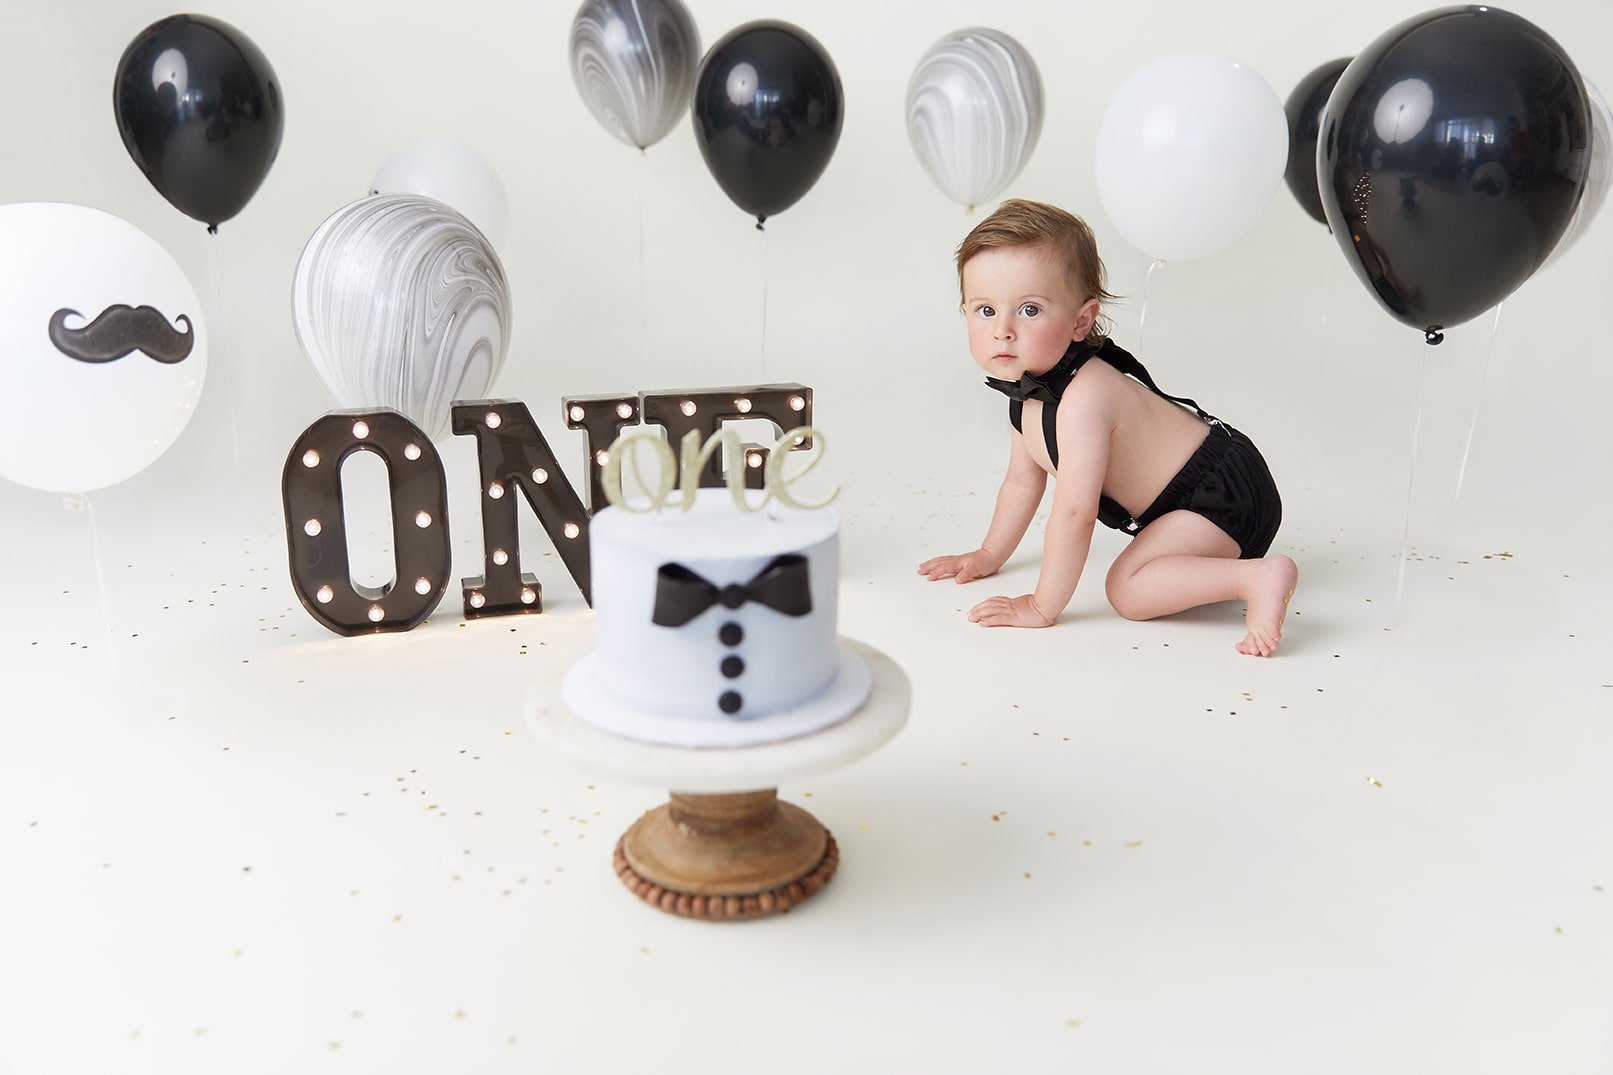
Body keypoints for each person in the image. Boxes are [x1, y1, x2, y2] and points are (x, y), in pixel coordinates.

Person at [917, 199, 1297, 656]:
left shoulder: (1084, 398)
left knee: (1126, 590)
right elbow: (1022, 483)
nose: (1004, 330)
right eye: (985, 310)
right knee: (1132, 575)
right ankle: (1236, 570)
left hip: (1221, 497)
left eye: (1030, 310)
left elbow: (1074, 514)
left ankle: (1257, 576)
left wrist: (1043, 605)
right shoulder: (1030, 391)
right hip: (1182, 503)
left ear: (1081, 321)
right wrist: (988, 555)